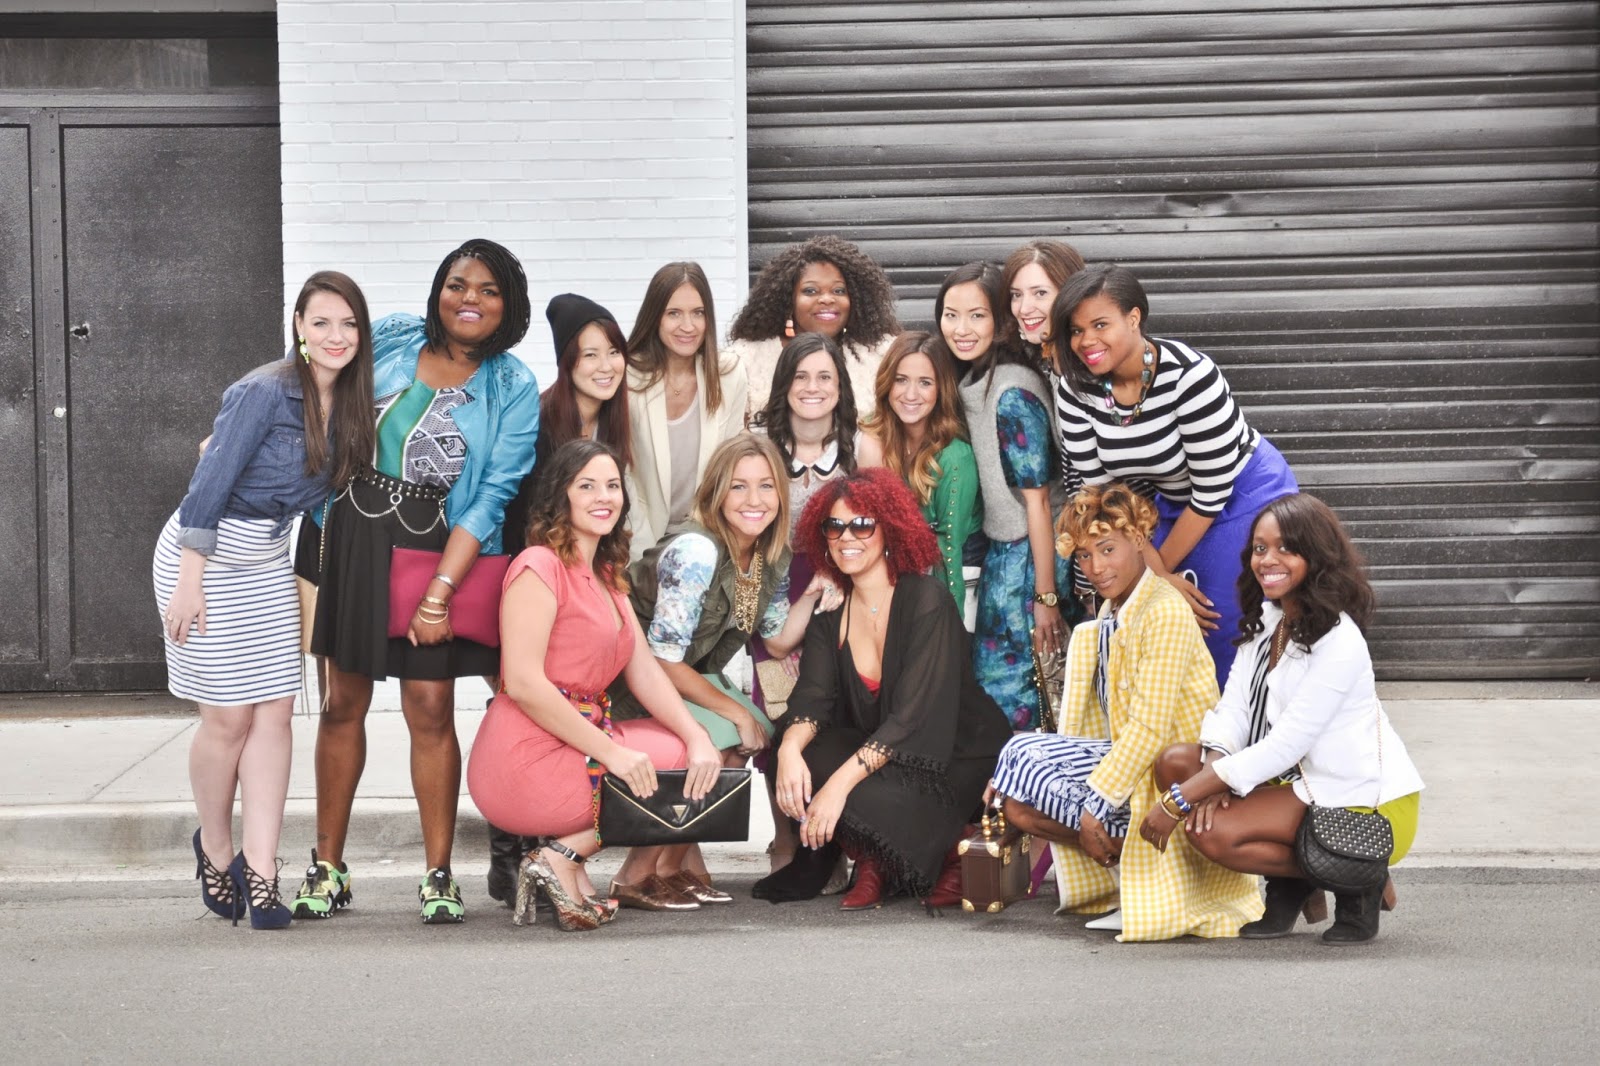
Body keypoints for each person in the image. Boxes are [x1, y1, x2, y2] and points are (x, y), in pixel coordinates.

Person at [293, 238, 539, 925]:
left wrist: (441, 593)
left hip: (439, 546)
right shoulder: (398, 334)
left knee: (429, 707)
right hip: (350, 535)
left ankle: (438, 874)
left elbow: (494, 495)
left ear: (509, 305)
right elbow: (315, 364)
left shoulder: (512, 385)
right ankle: (328, 867)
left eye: (489, 290)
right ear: (439, 290)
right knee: (342, 701)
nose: (470, 299)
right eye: (458, 284)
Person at [154, 270, 374, 929]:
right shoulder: (263, 391)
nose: (336, 336)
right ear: (299, 327)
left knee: (276, 712)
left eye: (349, 324)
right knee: (228, 719)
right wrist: (190, 580)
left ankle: (263, 871)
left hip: (267, 561)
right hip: (205, 558)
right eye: (321, 322)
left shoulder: (356, 405)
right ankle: (217, 852)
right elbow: (208, 484)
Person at [1140, 493, 1424, 945]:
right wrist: (1211, 772)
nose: (1268, 560)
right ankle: (1298, 880)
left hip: (1359, 798)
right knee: (1176, 762)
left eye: (1286, 548)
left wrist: (1181, 800)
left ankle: (1358, 878)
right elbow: (1233, 708)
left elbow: (1287, 744)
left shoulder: (1339, 642)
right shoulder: (1270, 620)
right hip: (1294, 779)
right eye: (1260, 548)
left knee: (1215, 834)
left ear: (1316, 557)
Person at [986, 484, 1262, 941]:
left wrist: (1095, 806)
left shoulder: (1164, 610)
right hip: (1135, 760)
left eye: (1107, 549)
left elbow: (1150, 729)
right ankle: (1128, 882)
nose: (1096, 567)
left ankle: (1148, 883)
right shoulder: (1114, 611)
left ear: (1138, 540)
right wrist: (1012, 774)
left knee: (1023, 763)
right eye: (1085, 555)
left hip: (1175, 772)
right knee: (1017, 789)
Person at [466, 440, 723, 930]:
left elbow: (644, 671)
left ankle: (566, 858)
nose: (603, 496)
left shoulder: (606, 574)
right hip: (523, 755)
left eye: (612, 485)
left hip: (578, 741)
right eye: (586, 486)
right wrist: (612, 753)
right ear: (560, 496)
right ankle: (560, 857)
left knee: (680, 751)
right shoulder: (538, 565)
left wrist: (697, 735)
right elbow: (522, 682)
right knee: (654, 763)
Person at [757, 469, 1011, 908]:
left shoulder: (927, 599)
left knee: (847, 783)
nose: (846, 537)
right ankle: (878, 855)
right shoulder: (830, 613)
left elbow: (911, 719)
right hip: (884, 754)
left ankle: (949, 848)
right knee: (795, 744)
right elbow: (812, 701)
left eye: (862, 525)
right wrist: (789, 753)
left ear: (889, 530)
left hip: (952, 754)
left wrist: (836, 788)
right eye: (834, 526)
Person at [608, 433, 840, 908]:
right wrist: (734, 713)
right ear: (716, 492)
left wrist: (816, 589)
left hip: (683, 677)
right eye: (739, 486)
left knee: (754, 734)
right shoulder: (698, 550)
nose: (754, 500)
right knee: (734, 732)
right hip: (633, 681)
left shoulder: (769, 554)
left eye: (766, 486)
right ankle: (635, 875)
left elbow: (777, 639)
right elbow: (662, 659)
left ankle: (671, 866)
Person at [1053, 263, 1299, 686]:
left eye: (1100, 325)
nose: (1086, 341)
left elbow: (1211, 493)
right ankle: (1175, 724)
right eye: (1076, 330)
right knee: (1153, 609)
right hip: (1162, 501)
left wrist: (1154, 576)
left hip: (1240, 492)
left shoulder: (1190, 376)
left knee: (1215, 612)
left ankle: (1241, 720)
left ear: (1134, 318)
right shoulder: (1075, 387)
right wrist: (1157, 577)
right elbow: (1100, 497)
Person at [486, 292, 631, 907]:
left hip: (579, 583)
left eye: (613, 351)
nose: (604, 365)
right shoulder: (543, 420)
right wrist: (547, 584)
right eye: (588, 354)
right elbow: (521, 508)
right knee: (527, 709)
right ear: (566, 362)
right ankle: (510, 856)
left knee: (569, 714)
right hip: (529, 578)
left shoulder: (614, 422)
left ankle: (552, 857)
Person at [941, 262, 1074, 729]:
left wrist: (1046, 597)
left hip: (1031, 560)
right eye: (951, 315)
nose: (962, 329)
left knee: (1020, 697)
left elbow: (1040, 502)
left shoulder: (1011, 390)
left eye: (977, 315)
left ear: (1000, 320)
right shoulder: (974, 379)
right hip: (1005, 555)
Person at [624, 261, 749, 560]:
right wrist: (642, 549)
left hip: (706, 540)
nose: (688, 326)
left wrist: (705, 542)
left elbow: (729, 466)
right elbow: (623, 471)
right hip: (637, 539)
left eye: (698, 313)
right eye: (674, 313)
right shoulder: (628, 377)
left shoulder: (729, 375)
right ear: (655, 317)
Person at [858, 330, 981, 610]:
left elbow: (949, 553)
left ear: (941, 389)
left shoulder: (954, 457)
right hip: (897, 573)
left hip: (954, 578)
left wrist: (949, 627)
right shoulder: (874, 434)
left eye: (925, 383)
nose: (910, 394)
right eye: (901, 380)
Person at [726, 234, 900, 419]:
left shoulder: (883, 355)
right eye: (810, 291)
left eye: (839, 290)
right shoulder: (748, 359)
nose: (826, 299)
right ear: (788, 300)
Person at [1002, 239, 1086, 381]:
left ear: (1071, 293)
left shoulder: (1092, 365)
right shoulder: (1037, 357)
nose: (1024, 309)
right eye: (1017, 295)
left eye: (1040, 293)